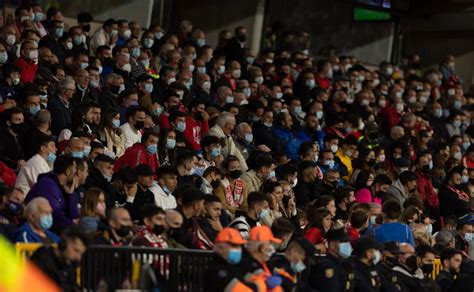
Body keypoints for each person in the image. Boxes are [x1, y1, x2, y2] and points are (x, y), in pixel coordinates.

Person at [25, 155, 80, 233]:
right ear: (68, 172)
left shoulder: (63, 187)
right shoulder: (47, 184)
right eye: (75, 171)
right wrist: (71, 224)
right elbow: (54, 214)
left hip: (54, 227)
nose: (77, 174)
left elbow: (74, 215)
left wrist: (70, 195)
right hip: (36, 229)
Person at [31, 226, 88, 291]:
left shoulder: (70, 265)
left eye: (81, 254)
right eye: (76, 250)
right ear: (64, 243)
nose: (78, 257)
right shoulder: (42, 259)